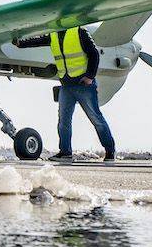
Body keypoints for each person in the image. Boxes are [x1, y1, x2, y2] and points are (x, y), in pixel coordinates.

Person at [14, 26, 115, 161]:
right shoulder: (54, 35)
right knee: (63, 121)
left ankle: (110, 150)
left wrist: (90, 77)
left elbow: (94, 54)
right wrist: (20, 44)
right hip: (66, 86)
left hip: (83, 85)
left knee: (96, 119)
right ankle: (65, 152)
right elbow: (38, 41)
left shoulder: (80, 32)